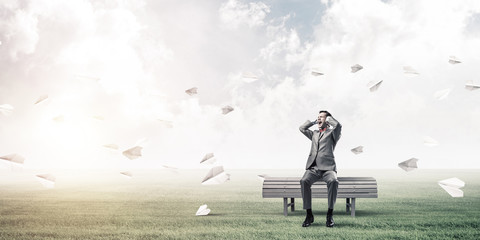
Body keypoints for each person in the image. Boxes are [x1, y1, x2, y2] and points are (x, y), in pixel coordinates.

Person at [299, 110, 342, 228]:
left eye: (321, 117)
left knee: (334, 181)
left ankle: (330, 215)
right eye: (318, 117)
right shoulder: (314, 134)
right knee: (304, 181)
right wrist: (314, 122)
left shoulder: (333, 134)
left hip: (328, 169)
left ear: (327, 121)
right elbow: (302, 128)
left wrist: (328, 118)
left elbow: (338, 125)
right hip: (313, 168)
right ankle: (309, 215)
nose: (319, 119)